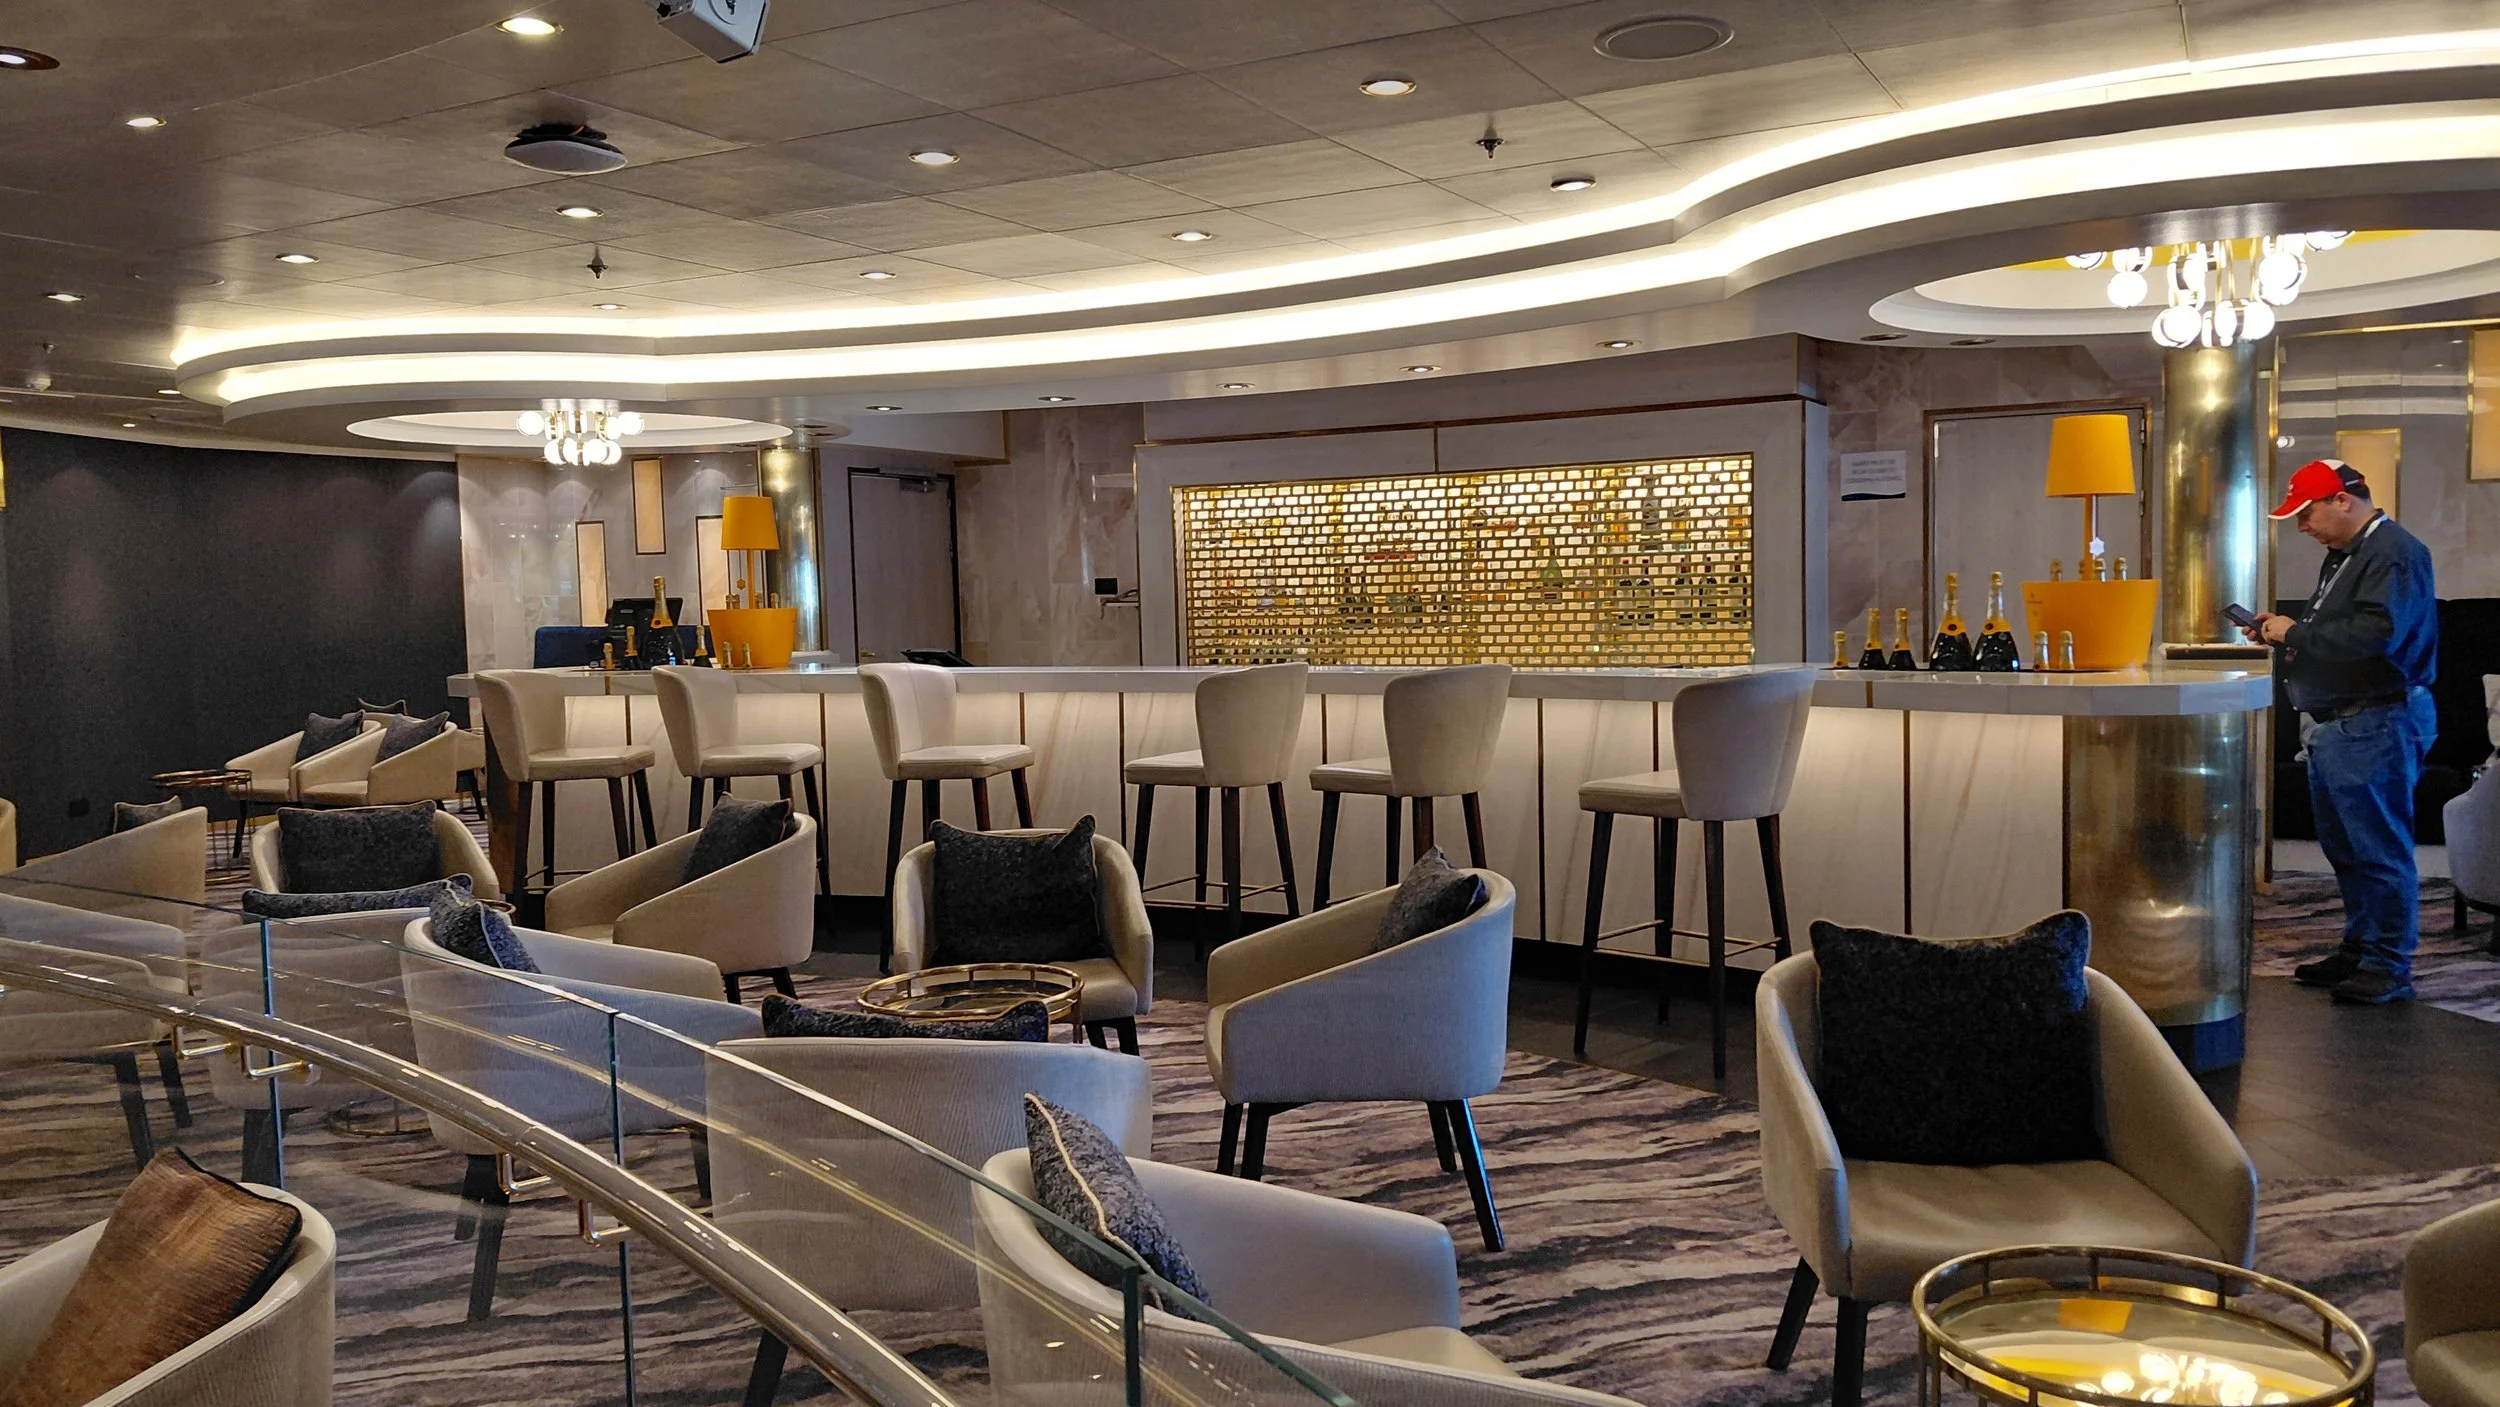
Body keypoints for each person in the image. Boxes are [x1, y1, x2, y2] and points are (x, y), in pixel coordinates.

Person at [2243, 459, 2438, 1003]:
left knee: (2378, 850)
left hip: (2375, 720)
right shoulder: (2349, 554)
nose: (2301, 525)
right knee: (2349, 850)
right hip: (2346, 724)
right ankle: (2361, 951)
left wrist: (2295, 632)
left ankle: (2387, 966)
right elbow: (2338, 629)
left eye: (2306, 513)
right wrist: (2284, 633)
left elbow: (2378, 634)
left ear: (2343, 501)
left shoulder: (2393, 552)